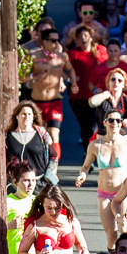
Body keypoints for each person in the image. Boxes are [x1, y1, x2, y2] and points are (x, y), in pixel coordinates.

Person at [75, 108, 127, 251]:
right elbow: (86, 166)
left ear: (121, 124)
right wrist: (83, 175)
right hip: (104, 194)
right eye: (111, 120)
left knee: (125, 230)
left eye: (118, 121)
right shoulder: (95, 145)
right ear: (105, 123)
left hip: (123, 193)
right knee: (111, 235)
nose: (115, 123)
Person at [29, 28, 78, 160]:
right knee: (38, 135)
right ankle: (40, 163)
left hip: (55, 101)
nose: (57, 43)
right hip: (37, 102)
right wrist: (34, 75)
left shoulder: (62, 57)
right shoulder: (33, 56)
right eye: (53, 40)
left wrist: (73, 84)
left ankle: (53, 166)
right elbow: (22, 77)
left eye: (58, 40)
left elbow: (71, 70)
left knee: (54, 133)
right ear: (44, 42)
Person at [67, 25, 108, 152]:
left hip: (97, 95)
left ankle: (96, 152)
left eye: (85, 36)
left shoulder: (101, 50)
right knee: (86, 127)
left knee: (98, 125)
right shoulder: (72, 54)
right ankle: (88, 152)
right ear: (76, 40)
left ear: (91, 37)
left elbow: (109, 65)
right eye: (79, 37)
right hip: (78, 97)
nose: (83, 39)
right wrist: (69, 78)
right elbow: (61, 68)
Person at [5, 101, 58, 193]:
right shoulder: (7, 136)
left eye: (29, 114)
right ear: (17, 116)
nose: (26, 117)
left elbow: (53, 156)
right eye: (23, 114)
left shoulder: (42, 134)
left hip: (39, 183)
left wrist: (48, 177)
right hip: (15, 186)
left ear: (33, 116)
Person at [7, 160, 37, 254]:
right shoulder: (7, 202)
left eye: (33, 180)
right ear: (15, 182)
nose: (30, 184)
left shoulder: (38, 202)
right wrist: (8, 226)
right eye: (25, 180)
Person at [89, 66, 127, 136]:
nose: (116, 82)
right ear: (108, 82)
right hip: (104, 136)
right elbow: (92, 103)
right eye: (113, 80)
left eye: (119, 80)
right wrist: (105, 95)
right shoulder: (103, 97)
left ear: (124, 84)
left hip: (123, 136)